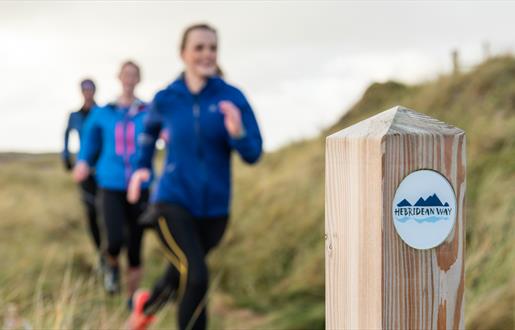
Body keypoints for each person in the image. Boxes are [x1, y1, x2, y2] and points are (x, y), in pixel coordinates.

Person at [126, 24, 263, 330]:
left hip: (215, 211)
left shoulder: (232, 98)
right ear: (183, 53)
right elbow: (147, 134)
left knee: (181, 272)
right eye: (199, 47)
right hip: (172, 201)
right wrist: (142, 168)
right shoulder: (167, 98)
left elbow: (253, 154)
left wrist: (238, 133)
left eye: (212, 47)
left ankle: (144, 307)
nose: (206, 54)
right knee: (197, 275)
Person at [73, 61, 152, 302]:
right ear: (119, 77)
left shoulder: (149, 111)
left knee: (136, 245)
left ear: (139, 79)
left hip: (140, 186)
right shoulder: (103, 113)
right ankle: (112, 266)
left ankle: (131, 299)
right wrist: (83, 162)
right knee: (115, 239)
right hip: (110, 184)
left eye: (134, 75)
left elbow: (166, 133)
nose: (129, 79)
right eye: (126, 74)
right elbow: (89, 142)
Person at [62, 79, 104, 270]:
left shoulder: (103, 113)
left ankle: (111, 251)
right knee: (91, 212)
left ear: (94, 91)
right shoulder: (75, 115)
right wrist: (66, 157)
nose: (87, 92)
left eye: (90, 89)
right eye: (84, 89)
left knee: (107, 211)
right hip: (83, 169)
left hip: (103, 168)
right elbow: (66, 136)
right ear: (81, 91)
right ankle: (100, 254)